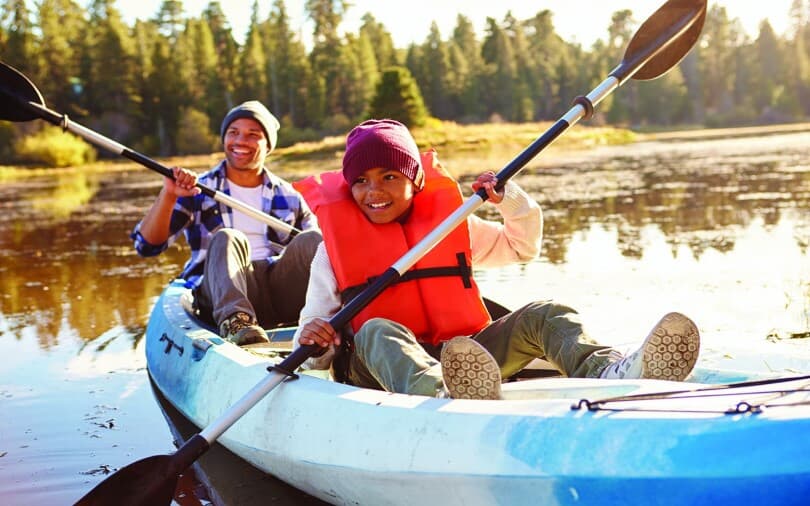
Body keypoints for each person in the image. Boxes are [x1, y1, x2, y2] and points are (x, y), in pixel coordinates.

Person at [292, 119, 700, 399]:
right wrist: (314, 339)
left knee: (546, 313)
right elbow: (312, 348)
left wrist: (510, 201)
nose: (373, 191)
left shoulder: (449, 227)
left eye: (389, 177)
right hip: (377, 371)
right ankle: (441, 392)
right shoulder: (333, 251)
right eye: (360, 181)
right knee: (376, 329)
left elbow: (521, 246)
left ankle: (609, 372)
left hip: (465, 356)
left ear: (415, 181)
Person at [131, 100, 322, 345]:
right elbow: (146, 247)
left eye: (253, 135)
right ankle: (237, 323)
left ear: (268, 146)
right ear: (224, 139)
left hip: (276, 292)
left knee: (314, 239)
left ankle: (335, 322)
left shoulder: (290, 195)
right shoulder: (197, 189)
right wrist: (169, 195)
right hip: (218, 294)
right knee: (229, 237)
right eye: (233, 133)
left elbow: (319, 256)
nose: (240, 141)